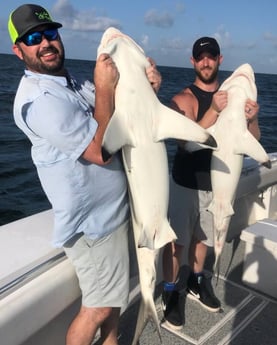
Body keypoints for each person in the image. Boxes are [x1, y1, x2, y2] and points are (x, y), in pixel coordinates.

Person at [8, 4, 161, 345]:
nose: (45, 42)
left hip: (116, 213)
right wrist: (104, 87)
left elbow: (120, 118)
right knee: (97, 309)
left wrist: (145, 88)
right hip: (92, 226)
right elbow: (100, 151)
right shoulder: (39, 99)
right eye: (33, 38)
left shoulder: (72, 83)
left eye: (50, 33)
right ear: (18, 51)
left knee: (113, 302)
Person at [162, 36, 261, 330]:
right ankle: (170, 292)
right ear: (193, 62)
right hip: (185, 184)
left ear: (220, 59)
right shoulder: (183, 98)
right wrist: (215, 111)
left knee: (203, 240)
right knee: (177, 244)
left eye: (211, 56)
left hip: (216, 186)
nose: (206, 61)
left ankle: (197, 280)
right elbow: (184, 140)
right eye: (200, 57)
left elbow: (252, 140)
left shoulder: (234, 96)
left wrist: (252, 119)